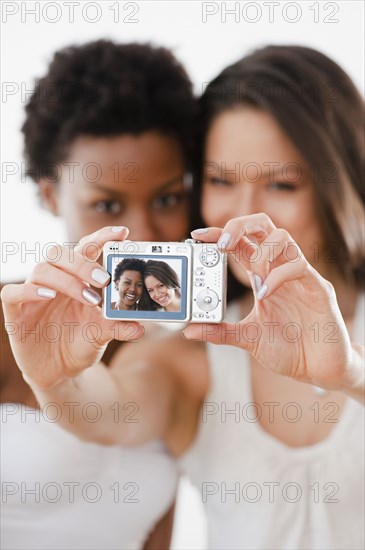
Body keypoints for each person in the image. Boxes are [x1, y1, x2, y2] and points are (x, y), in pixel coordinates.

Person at [2, 45, 364, 550]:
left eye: (281, 184)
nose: (243, 216)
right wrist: (57, 380)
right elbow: (111, 411)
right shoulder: (191, 353)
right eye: (220, 181)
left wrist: (352, 376)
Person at [1, 39, 197, 550]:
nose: (142, 232)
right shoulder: (9, 328)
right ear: (50, 195)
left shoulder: (175, 359)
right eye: (107, 205)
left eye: (167, 198)